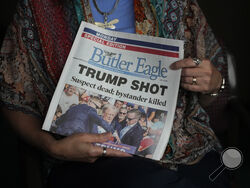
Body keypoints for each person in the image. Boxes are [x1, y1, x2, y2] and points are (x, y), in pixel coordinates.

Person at [0, 0, 230, 187]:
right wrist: (52, 147)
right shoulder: (37, 8)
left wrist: (213, 84)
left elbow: (211, 97)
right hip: (85, 162)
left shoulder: (178, 5)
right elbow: (14, 97)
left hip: (187, 150)